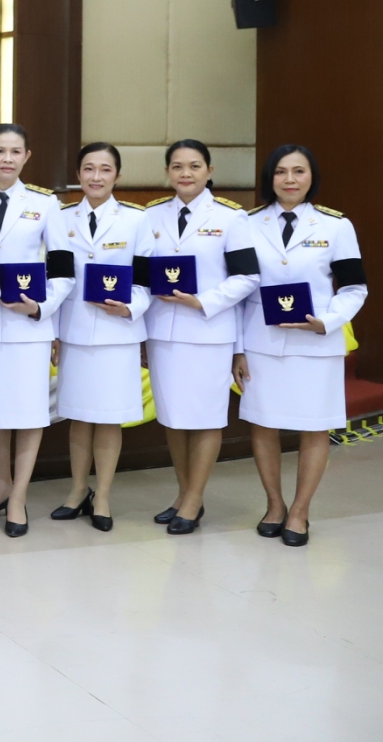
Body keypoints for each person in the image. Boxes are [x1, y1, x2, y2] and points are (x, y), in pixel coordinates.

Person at [231, 144, 367, 547]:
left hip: (315, 343)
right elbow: (238, 291)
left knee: (314, 428)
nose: (289, 180)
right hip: (261, 342)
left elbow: (355, 288)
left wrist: (324, 321)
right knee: (263, 423)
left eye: (298, 172)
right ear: (269, 178)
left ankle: (301, 511)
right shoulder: (247, 223)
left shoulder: (335, 226)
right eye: (280, 172)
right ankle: (274, 505)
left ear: (312, 177)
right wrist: (237, 348)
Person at [0, 123, 73, 537]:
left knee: (27, 412)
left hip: (28, 327)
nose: (7, 158)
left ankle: (19, 497)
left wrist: (41, 307)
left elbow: (62, 268)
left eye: (15, 151)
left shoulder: (46, 204)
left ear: (27, 156)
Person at [142, 139, 258, 535]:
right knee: (173, 418)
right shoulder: (152, 216)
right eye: (177, 166)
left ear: (209, 171)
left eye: (194, 166)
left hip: (209, 331)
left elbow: (247, 277)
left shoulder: (231, 217)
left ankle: (193, 501)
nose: (185, 174)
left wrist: (202, 301)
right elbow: (141, 272)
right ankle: (184, 492)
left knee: (206, 417)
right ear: (168, 173)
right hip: (162, 332)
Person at [49, 142, 153, 532]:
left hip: (117, 333)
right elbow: (56, 279)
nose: (96, 177)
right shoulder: (60, 219)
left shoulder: (136, 221)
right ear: (78, 175)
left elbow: (144, 279)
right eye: (89, 169)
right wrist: (54, 333)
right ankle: (77, 490)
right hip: (74, 331)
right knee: (77, 415)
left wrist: (129, 307)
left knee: (108, 419)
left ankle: (103, 495)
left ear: (117, 176)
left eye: (105, 170)